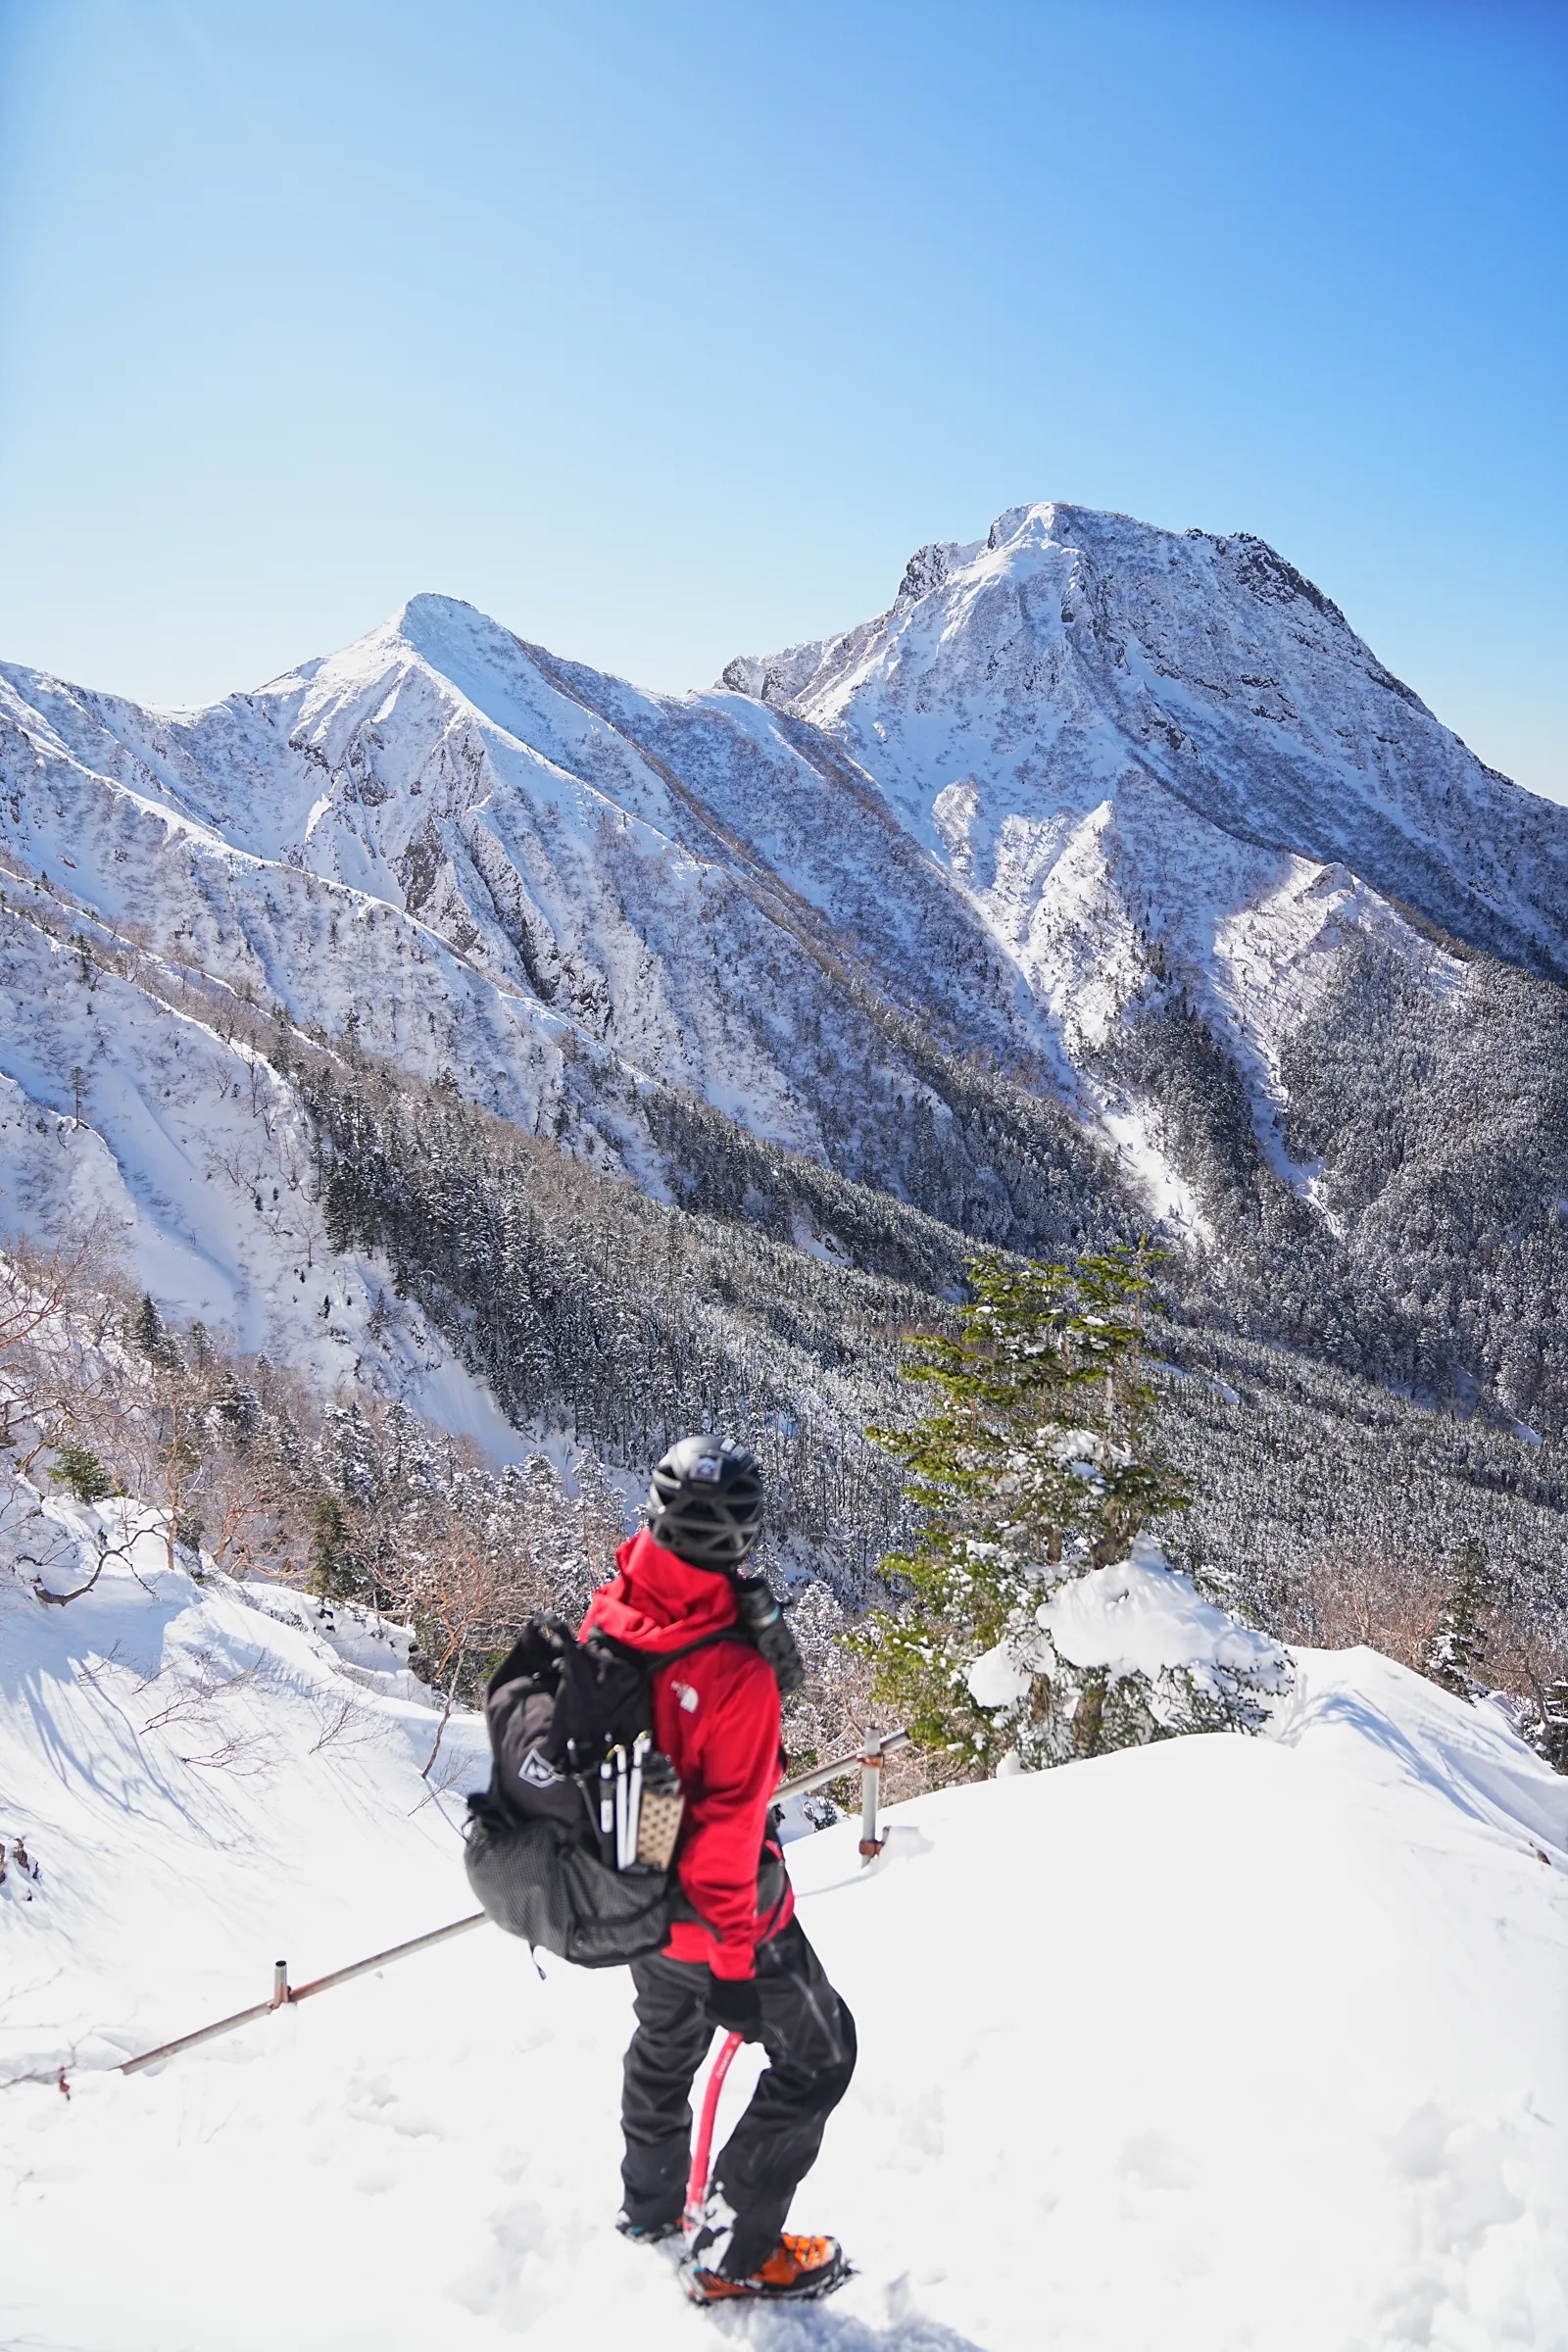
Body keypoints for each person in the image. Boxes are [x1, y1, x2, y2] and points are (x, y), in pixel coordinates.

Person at [580, 1434, 857, 2306]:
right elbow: (733, 1835)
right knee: (821, 2055)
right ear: (744, 1534)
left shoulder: (614, 1606)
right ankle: (737, 2254)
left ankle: (651, 2211)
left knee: (665, 2045)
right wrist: (736, 1969)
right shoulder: (736, 1668)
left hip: (638, 1891)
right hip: (727, 1917)